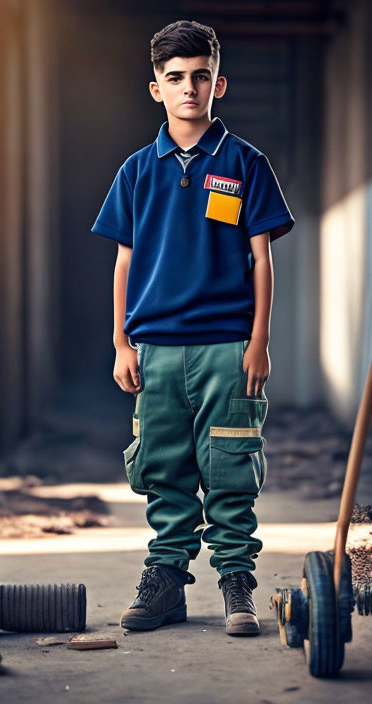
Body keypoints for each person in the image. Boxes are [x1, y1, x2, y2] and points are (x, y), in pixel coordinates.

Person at [91, 21, 293, 636]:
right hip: (155, 350)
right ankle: (166, 583)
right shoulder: (136, 172)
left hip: (227, 348)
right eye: (175, 78)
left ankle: (237, 584)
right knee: (164, 468)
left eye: (200, 76)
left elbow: (261, 257)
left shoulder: (245, 163)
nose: (188, 88)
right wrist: (123, 342)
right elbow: (124, 261)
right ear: (156, 89)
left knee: (232, 467)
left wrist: (258, 341)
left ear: (218, 83)